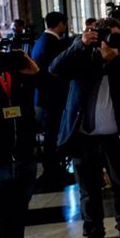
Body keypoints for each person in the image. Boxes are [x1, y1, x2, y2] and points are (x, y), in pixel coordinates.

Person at [51, 18, 120, 238]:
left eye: (116, 37)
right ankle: (94, 236)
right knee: (88, 193)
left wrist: (114, 60)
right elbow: (55, 69)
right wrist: (80, 45)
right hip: (83, 139)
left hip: (115, 139)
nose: (110, 42)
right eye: (106, 36)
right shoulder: (82, 55)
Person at [0, 48, 40, 238]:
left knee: (14, 222)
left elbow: (54, 89)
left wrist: (35, 72)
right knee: (4, 223)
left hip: (22, 158)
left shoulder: (11, 66)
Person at [31, 11, 74, 189]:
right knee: (51, 135)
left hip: (45, 96)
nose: (65, 28)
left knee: (51, 134)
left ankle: (54, 169)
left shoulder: (41, 41)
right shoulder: (52, 43)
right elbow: (57, 70)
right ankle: (53, 172)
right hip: (52, 96)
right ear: (60, 24)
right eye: (64, 24)